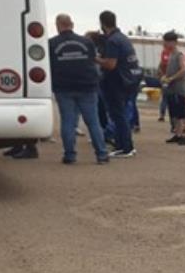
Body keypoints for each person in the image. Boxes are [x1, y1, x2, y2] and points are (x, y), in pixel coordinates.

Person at [49, 14, 110, 164]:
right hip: (87, 86)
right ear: (72, 24)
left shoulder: (51, 43)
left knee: (68, 122)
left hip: (63, 87)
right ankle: (101, 154)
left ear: (57, 25)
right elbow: (93, 60)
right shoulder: (87, 42)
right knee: (93, 122)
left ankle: (70, 155)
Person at [97, 10, 143, 158]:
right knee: (121, 114)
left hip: (116, 82)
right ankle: (122, 145)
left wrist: (96, 59)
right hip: (129, 81)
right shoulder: (123, 38)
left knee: (118, 116)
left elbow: (111, 64)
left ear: (102, 23)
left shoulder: (112, 41)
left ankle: (125, 147)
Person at [160, 31, 185, 146]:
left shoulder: (180, 55)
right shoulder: (171, 54)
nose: (165, 44)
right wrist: (166, 77)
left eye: (167, 42)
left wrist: (172, 78)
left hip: (179, 88)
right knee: (176, 113)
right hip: (172, 88)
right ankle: (178, 134)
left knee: (183, 112)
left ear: (174, 42)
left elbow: (184, 69)